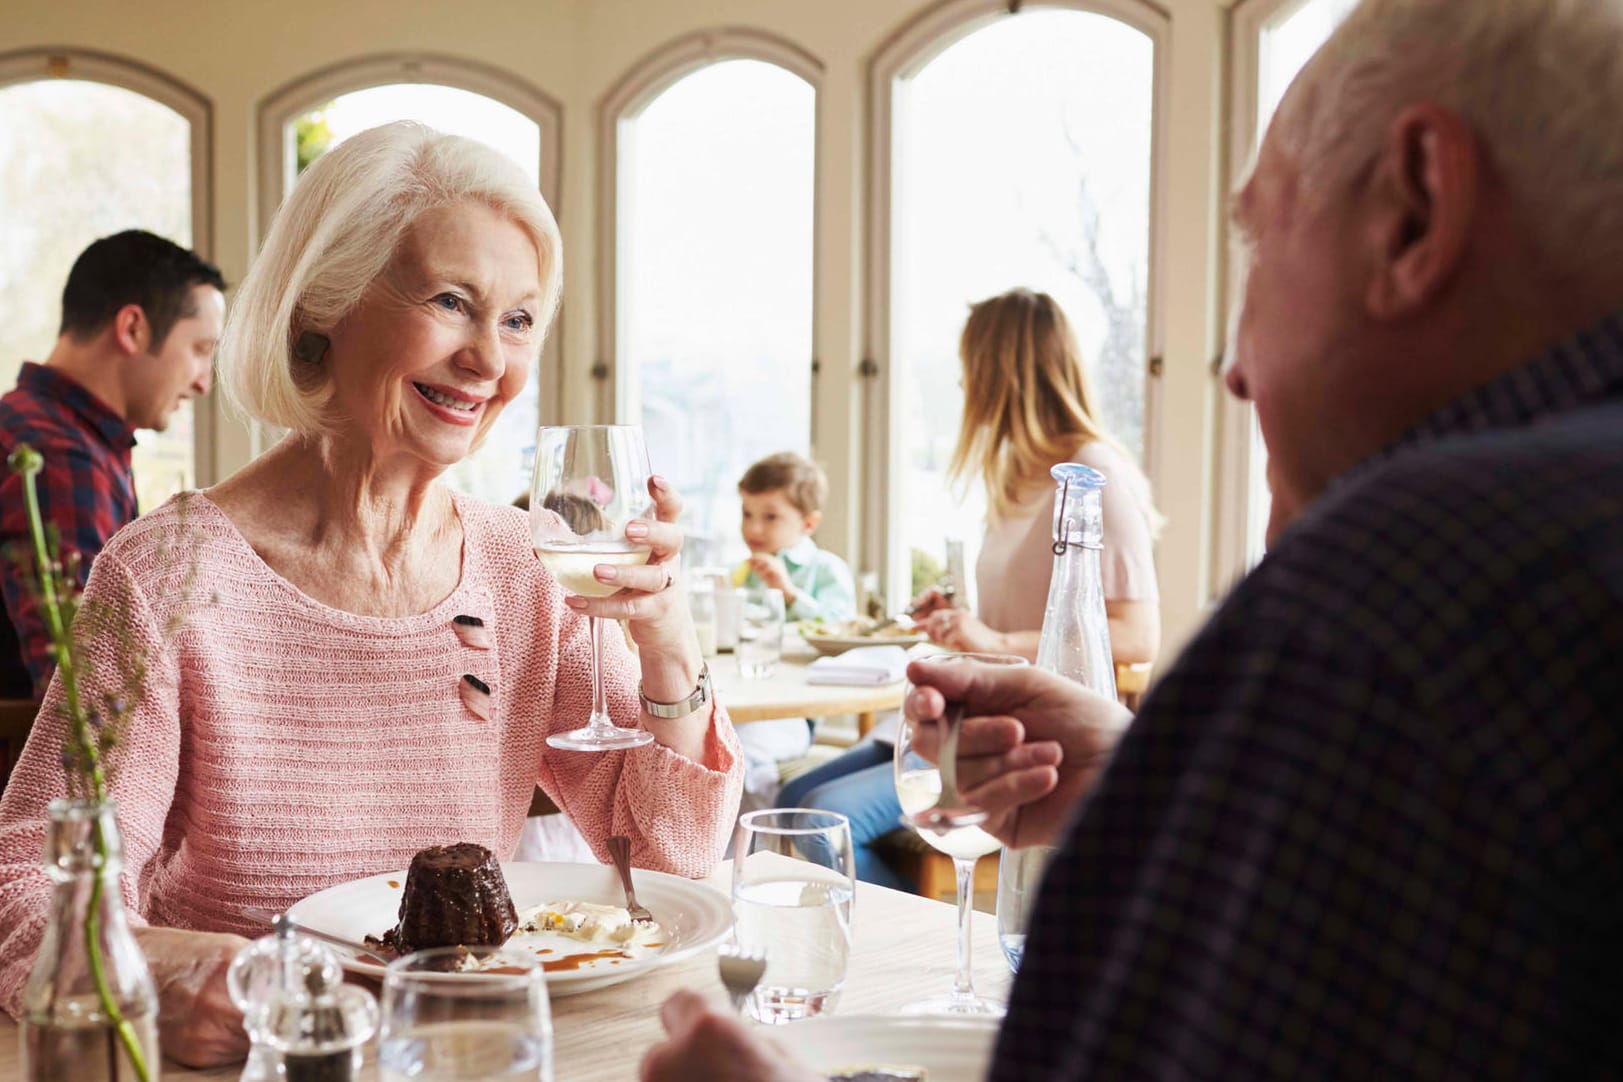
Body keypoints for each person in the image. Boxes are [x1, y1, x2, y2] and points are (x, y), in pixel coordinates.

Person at [643, 0, 1623, 1077]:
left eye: (1261, 236)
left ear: (1414, 212)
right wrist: (1149, 774)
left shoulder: (1403, 593)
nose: (1236, 369)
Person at [0, 122, 743, 1068]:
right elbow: (29, 886)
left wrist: (669, 644)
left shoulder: (526, 564)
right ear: (321, 307)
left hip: (479, 1054)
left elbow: (672, 868)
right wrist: (158, 977)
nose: (489, 360)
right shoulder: (165, 574)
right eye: (451, 302)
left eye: (518, 320)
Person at [776, 290, 1160, 891]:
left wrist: (997, 638)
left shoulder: (1091, 475)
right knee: (796, 797)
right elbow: (1021, 612)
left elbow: (1138, 634)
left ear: (996, 371)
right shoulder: (1016, 476)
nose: (960, 383)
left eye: (967, 367)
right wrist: (962, 623)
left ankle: (906, 949)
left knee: (829, 815)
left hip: (1020, 733)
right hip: (968, 713)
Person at [0, 230, 224, 699]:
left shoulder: (38, 429)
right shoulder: (58, 455)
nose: (205, 382)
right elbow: (88, 696)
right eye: (200, 350)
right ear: (133, 329)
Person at [731, 452, 857, 808]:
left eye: (770, 517)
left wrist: (789, 594)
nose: (754, 529)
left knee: (743, 753)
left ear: (808, 524)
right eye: (747, 514)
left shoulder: (826, 570)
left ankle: (761, 842)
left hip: (789, 716)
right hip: (738, 705)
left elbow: (841, 632)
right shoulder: (740, 572)